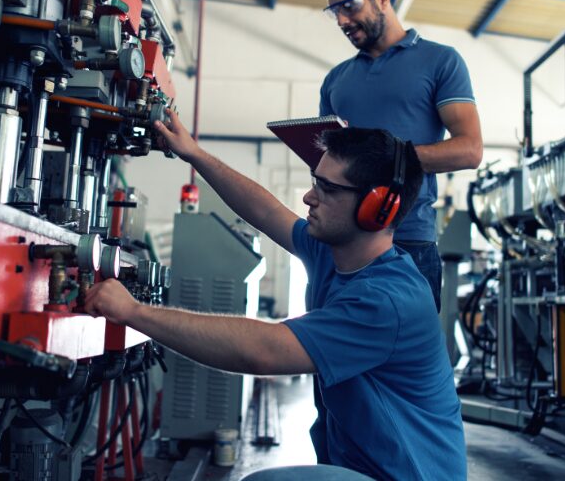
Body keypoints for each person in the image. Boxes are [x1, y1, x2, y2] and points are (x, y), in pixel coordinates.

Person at [84, 110, 467, 481]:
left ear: (378, 210)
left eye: (328, 189)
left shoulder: (388, 300)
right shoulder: (333, 251)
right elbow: (266, 211)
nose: (309, 198)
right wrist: (194, 153)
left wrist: (134, 312)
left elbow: (263, 350)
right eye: (316, 182)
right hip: (362, 466)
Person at [318, 0, 483, 311]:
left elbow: (469, 150)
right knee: (335, 362)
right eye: (335, 12)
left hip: (408, 243)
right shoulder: (336, 80)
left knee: (406, 364)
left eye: (350, 5)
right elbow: (323, 160)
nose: (343, 20)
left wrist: (387, 161)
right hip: (342, 244)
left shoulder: (441, 61)